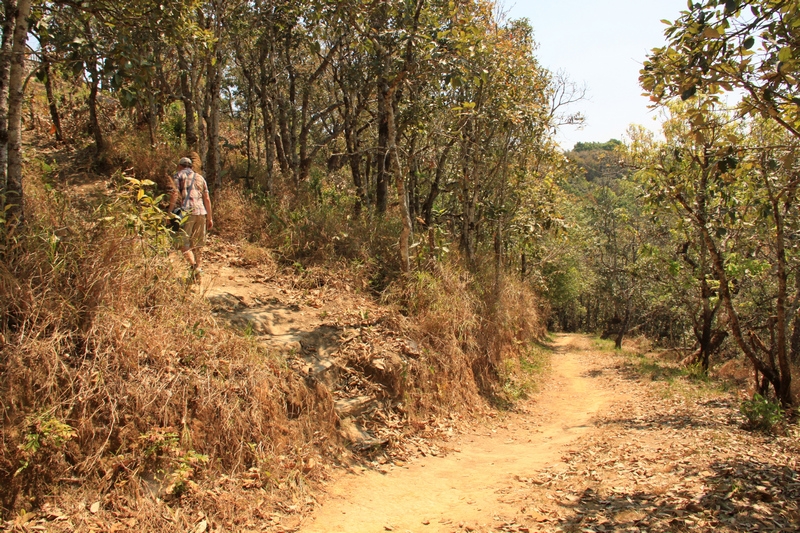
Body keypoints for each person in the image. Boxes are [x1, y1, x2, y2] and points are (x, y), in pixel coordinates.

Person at [168, 156, 213, 278]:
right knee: (198, 244)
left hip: (187, 213)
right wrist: (210, 218)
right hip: (201, 212)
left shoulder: (178, 175)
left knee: (184, 243)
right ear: (191, 167)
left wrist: (169, 212)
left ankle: (194, 266)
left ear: (180, 166)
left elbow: (175, 194)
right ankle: (197, 270)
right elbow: (207, 199)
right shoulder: (200, 178)